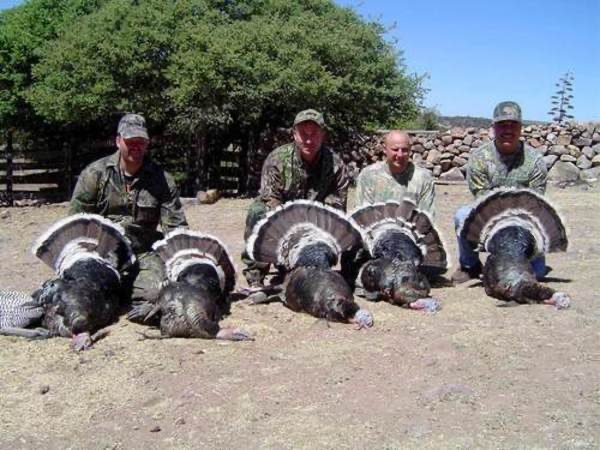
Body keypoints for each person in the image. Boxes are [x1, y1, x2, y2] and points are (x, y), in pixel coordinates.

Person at [69, 113, 188, 302]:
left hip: (144, 254)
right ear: (118, 141)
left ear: (147, 144)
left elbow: (175, 228)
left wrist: (186, 262)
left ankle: (121, 289)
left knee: (155, 294)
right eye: (130, 141)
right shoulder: (94, 174)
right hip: (102, 253)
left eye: (140, 142)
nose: (135, 146)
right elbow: (75, 224)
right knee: (84, 294)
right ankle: (116, 288)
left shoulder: (163, 180)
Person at [242, 109, 350, 287]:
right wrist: (290, 238)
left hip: (317, 227)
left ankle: (343, 272)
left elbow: (336, 210)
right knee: (258, 210)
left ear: (323, 135)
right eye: (303, 134)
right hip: (283, 226)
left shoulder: (336, 165)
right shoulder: (277, 160)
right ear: (294, 134)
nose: (308, 140)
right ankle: (256, 274)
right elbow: (271, 203)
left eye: (314, 134)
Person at [451, 101, 548, 284]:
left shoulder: (535, 161)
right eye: (502, 124)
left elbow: (535, 203)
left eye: (513, 124)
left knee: (537, 275)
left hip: (524, 221)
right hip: (491, 219)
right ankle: (470, 266)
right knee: (462, 215)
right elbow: (482, 200)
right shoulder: (479, 158)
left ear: (521, 128)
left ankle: (514, 259)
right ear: (493, 127)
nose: (508, 130)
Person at [355, 130, 435, 215]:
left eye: (404, 150)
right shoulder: (368, 176)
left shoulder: (424, 179)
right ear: (385, 149)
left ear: (410, 150)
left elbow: (425, 217)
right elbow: (363, 215)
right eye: (395, 149)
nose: (400, 155)